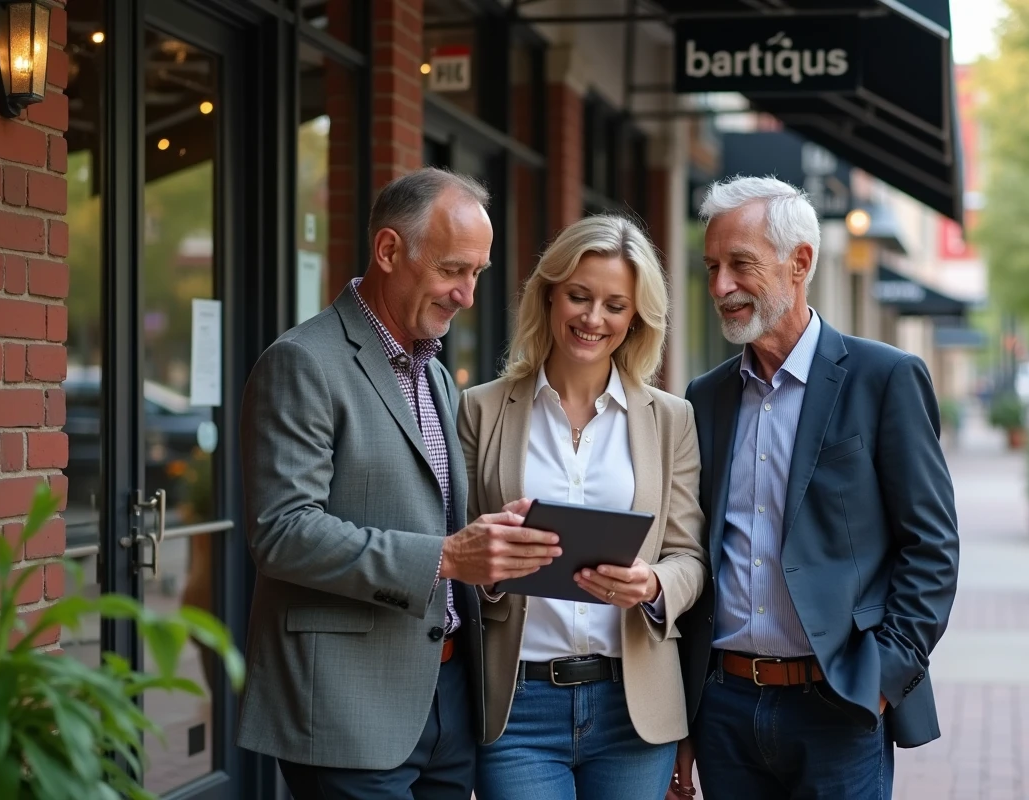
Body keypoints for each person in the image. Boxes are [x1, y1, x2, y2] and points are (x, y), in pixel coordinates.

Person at [236, 167, 562, 800]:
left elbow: (435, 524)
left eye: (477, 273)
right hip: (345, 706)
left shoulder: (435, 374)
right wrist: (444, 557)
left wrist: (489, 557)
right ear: (388, 251)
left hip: (446, 702)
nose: (467, 294)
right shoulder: (302, 363)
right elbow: (282, 532)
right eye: (452, 270)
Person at [670, 176, 960, 800]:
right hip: (724, 709)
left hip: (839, 706)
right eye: (712, 267)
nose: (720, 286)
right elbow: (695, 550)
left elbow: (932, 547)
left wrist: (882, 677)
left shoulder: (884, 378)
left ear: (799, 262)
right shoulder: (705, 397)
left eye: (740, 265)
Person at [457, 214, 708, 800]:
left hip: (632, 709)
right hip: (518, 707)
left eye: (615, 305)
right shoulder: (480, 409)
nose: (594, 319)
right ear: (548, 296)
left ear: (636, 317)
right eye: (579, 296)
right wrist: (491, 572)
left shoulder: (671, 420)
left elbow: (689, 558)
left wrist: (652, 584)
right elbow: (455, 554)